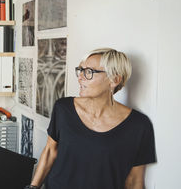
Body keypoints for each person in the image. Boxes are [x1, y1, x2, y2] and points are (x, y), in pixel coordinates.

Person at [25, 48, 156, 189]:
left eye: (89, 72)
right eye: (80, 70)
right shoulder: (63, 108)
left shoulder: (138, 125)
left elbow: (134, 180)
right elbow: (50, 151)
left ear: (114, 80)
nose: (80, 76)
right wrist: (33, 187)